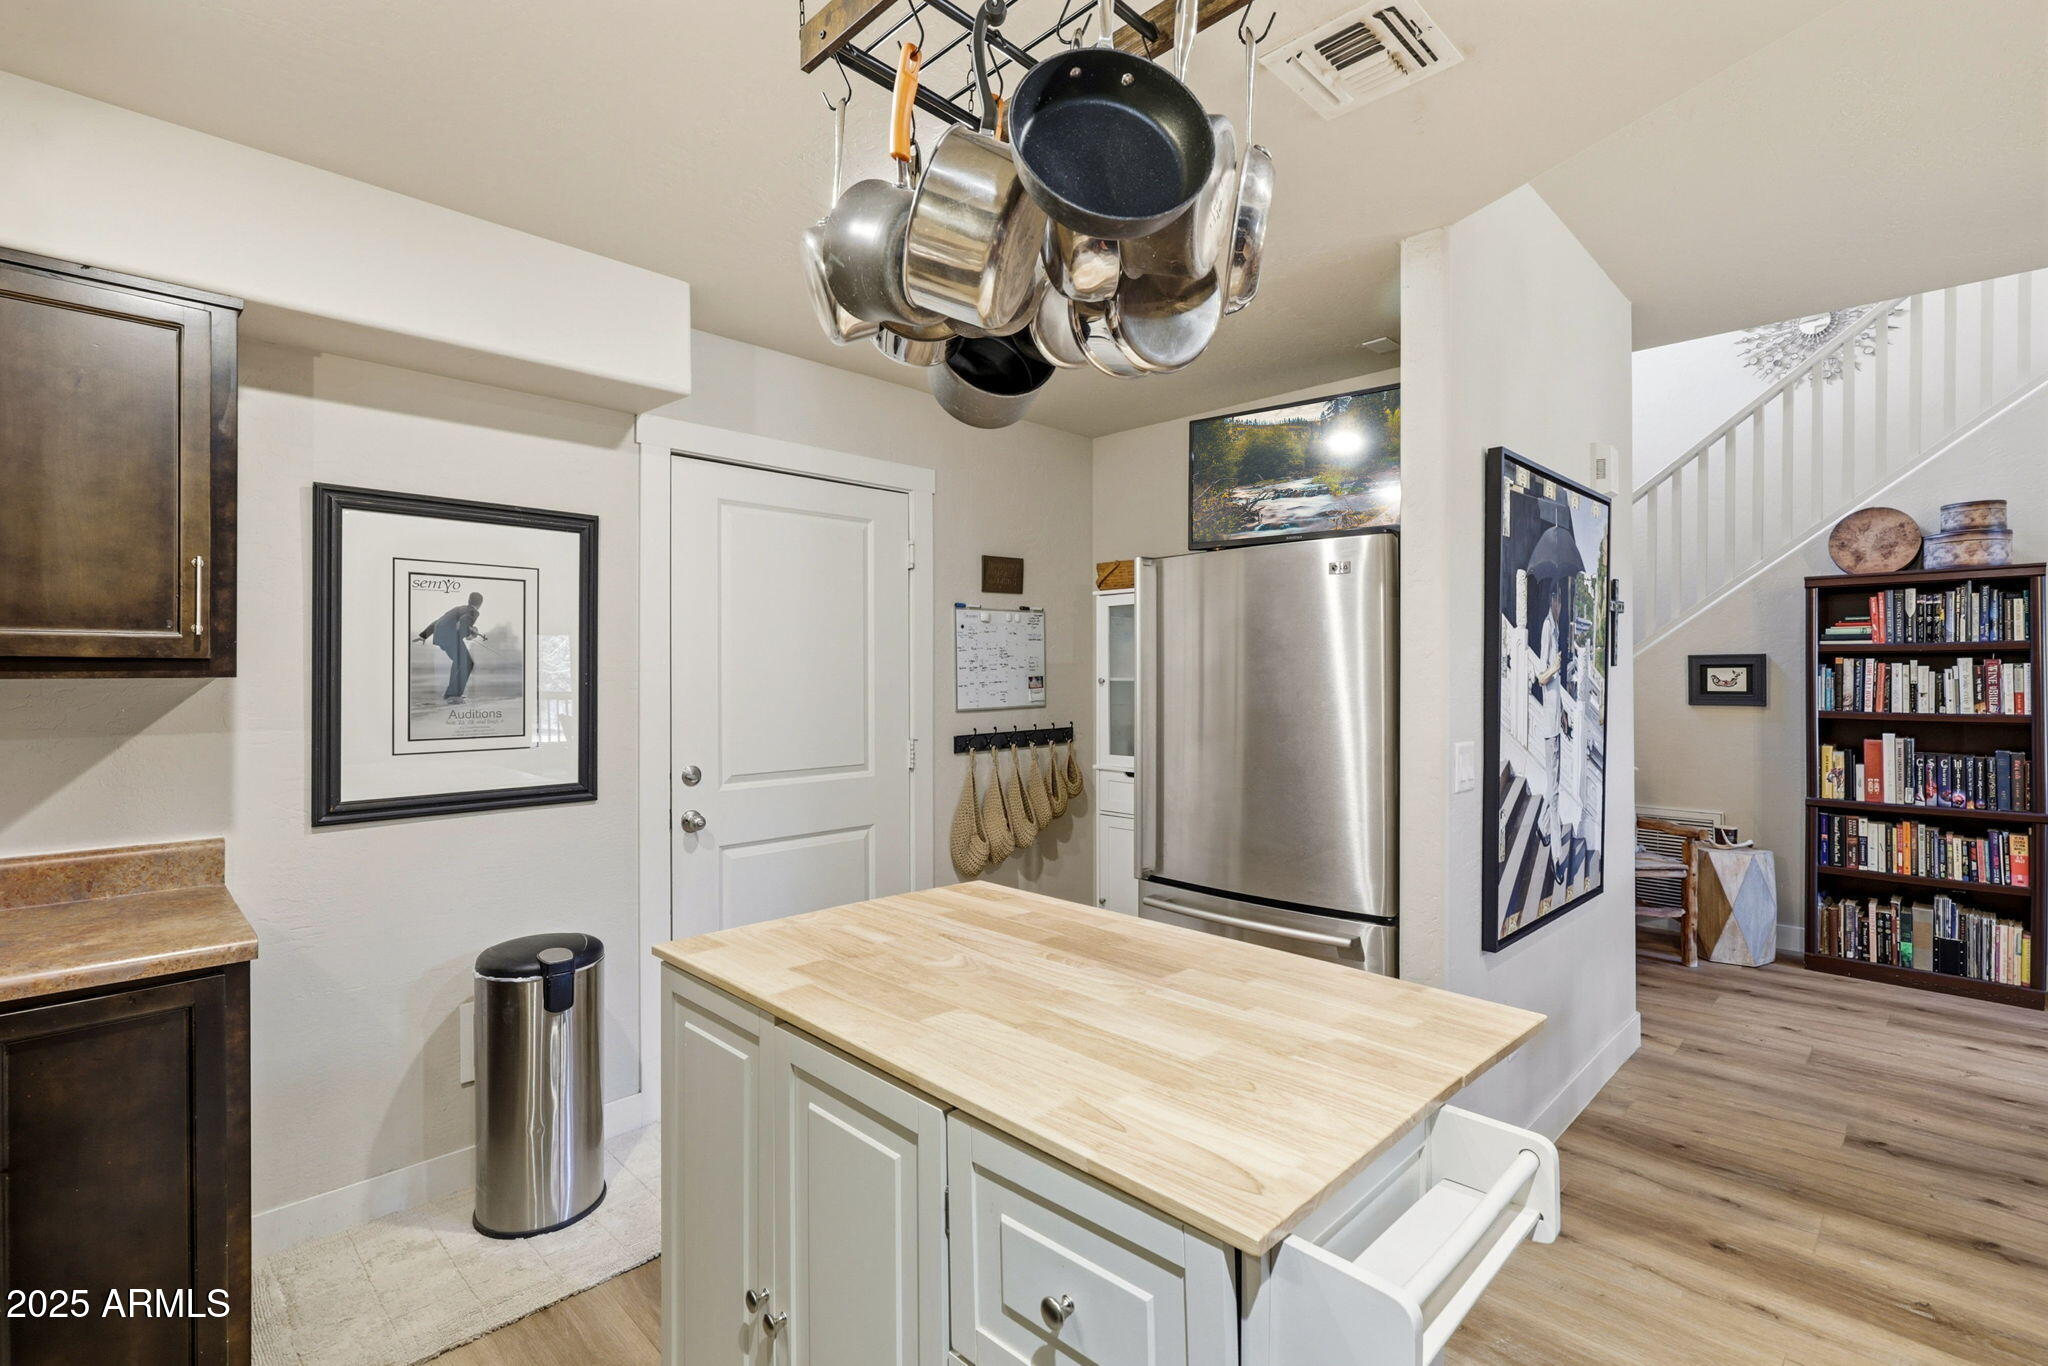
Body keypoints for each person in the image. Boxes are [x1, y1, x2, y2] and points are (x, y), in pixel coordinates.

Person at [418, 591, 488, 703]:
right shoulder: (473, 612)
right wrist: (471, 634)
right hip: (449, 637)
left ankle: (451, 694)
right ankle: (454, 695)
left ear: (469, 600)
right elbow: (464, 622)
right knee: (468, 663)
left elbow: (438, 621)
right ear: (480, 604)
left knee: (459, 662)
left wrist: (424, 635)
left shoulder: (458, 608)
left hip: (441, 636)